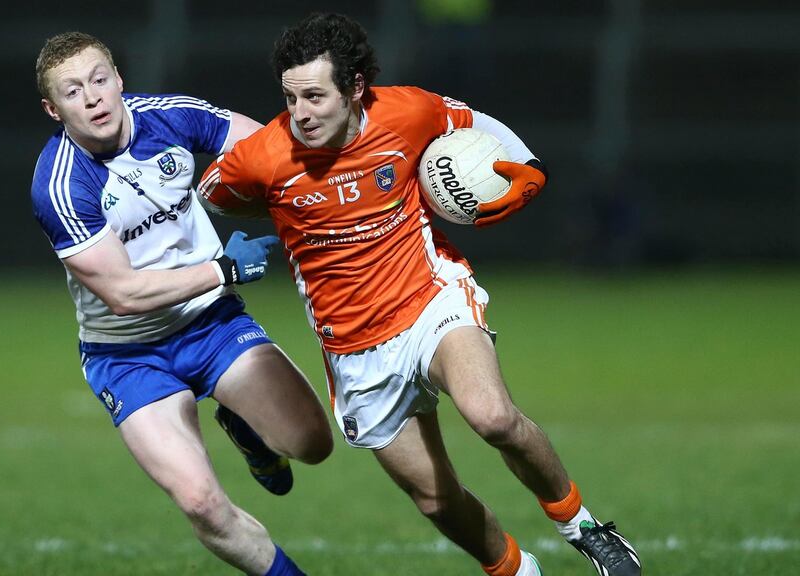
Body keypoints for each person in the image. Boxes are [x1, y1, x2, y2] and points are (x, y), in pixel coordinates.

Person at [199, 13, 641, 576]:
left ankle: (584, 528)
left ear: (356, 87)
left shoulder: (407, 111)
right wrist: (277, 211)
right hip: (353, 348)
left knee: (493, 416)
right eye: (290, 99)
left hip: (429, 298)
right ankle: (516, 570)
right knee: (435, 498)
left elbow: (476, 121)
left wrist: (528, 168)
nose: (301, 113)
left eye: (314, 95)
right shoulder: (265, 155)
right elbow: (215, 194)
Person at [29, 31, 333, 576]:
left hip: (211, 325)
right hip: (126, 356)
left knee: (311, 444)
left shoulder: (171, 117)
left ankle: (246, 430)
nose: (93, 98)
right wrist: (222, 269)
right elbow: (123, 295)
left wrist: (320, 196)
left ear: (119, 79)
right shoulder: (59, 185)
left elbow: (266, 147)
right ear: (54, 110)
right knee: (201, 503)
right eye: (73, 92)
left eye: (100, 80)